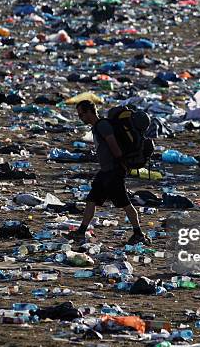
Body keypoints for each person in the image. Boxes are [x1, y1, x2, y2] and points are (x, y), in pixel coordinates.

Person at [64, 100, 151, 245]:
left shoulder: (102, 126)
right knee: (91, 200)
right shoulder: (97, 127)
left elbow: (113, 145)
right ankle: (81, 232)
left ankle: (139, 234)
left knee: (125, 203)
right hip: (105, 172)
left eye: (82, 114)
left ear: (90, 112)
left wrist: (122, 164)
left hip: (113, 172)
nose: (80, 118)